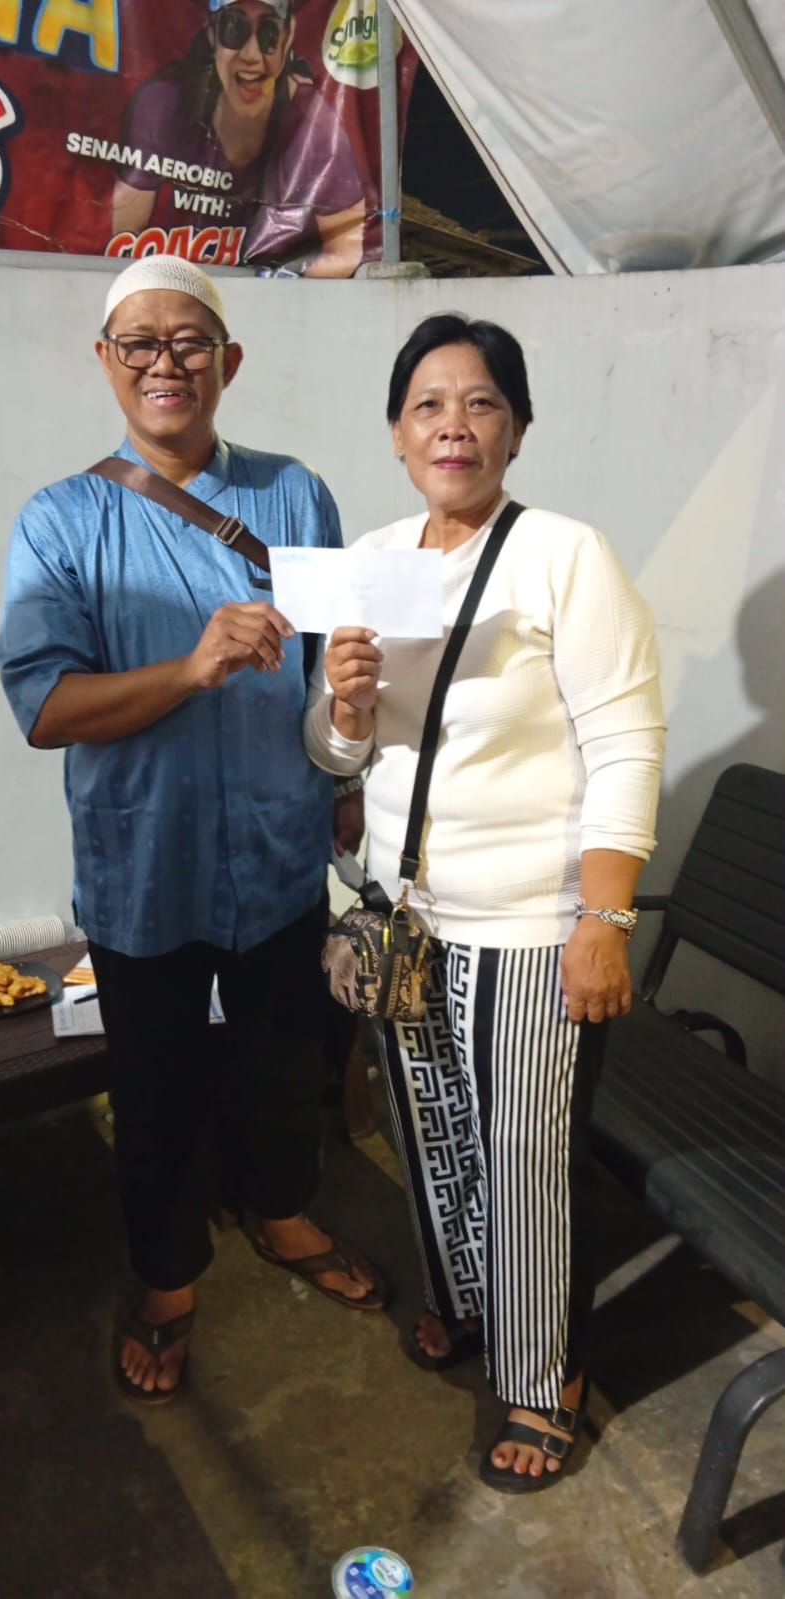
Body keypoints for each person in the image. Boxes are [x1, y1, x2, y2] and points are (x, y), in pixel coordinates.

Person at [0, 255, 386, 1407]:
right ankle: (167, 1282)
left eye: (189, 341)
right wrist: (191, 667)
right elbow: (45, 709)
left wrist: (352, 750)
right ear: (106, 362)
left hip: (277, 853)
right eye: (140, 343)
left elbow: (323, 674)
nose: (165, 363)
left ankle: (282, 1212)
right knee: (156, 1089)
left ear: (228, 361)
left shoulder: (294, 496)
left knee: (284, 1064)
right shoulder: (61, 522)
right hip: (144, 865)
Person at [304, 313, 666, 1490]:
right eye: (427, 404)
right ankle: (470, 1306)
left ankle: (540, 1375)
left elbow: (624, 743)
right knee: (435, 1137)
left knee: (522, 1154)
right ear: (395, 432)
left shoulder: (563, 555)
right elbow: (337, 755)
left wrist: (603, 920)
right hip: (410, 918)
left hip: (528, 924)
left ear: (514, 428)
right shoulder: (375, 559)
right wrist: (342, 706)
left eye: (479, 403)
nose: (451, 425)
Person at [112, 0, 366, 277]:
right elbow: (123, 238)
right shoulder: (165, 104)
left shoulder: (313, 125)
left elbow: (348, 250)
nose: (251, 55)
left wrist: (271, 293)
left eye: (269, 34)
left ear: (288, 38)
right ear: (212, 34)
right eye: (235, 29)